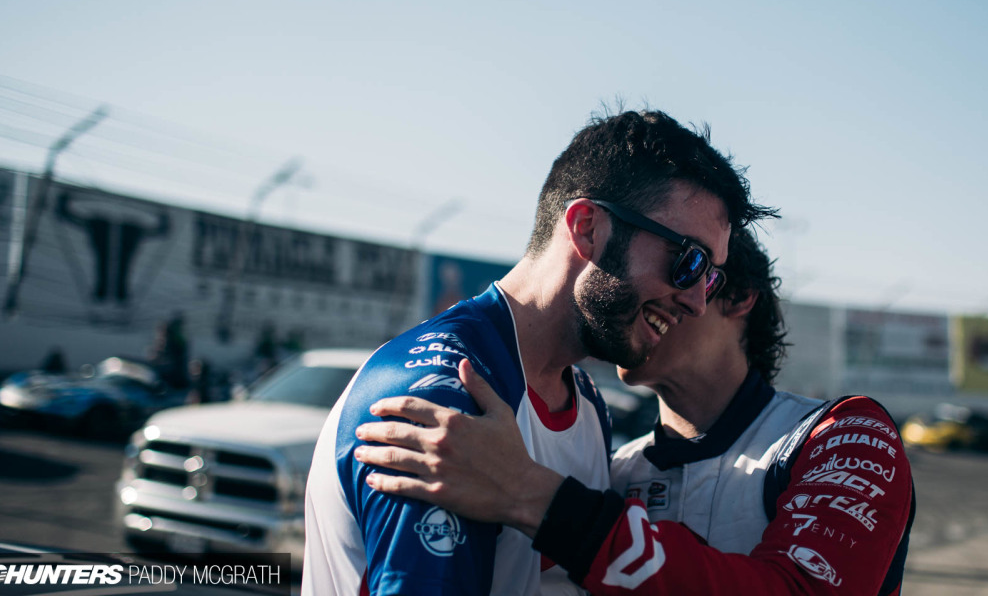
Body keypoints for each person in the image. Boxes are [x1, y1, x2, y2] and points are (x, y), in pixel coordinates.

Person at [303, 109, 776, 596]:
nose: (699, 301)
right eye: (689, 261)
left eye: (711, 276)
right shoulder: (448, 394)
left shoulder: (588, 405)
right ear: (588, 229)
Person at [356, 230, 915, 595]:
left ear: (738, 296)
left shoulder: (846, 436)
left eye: (685, 272)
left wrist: (533, 495)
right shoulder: (615, 469)